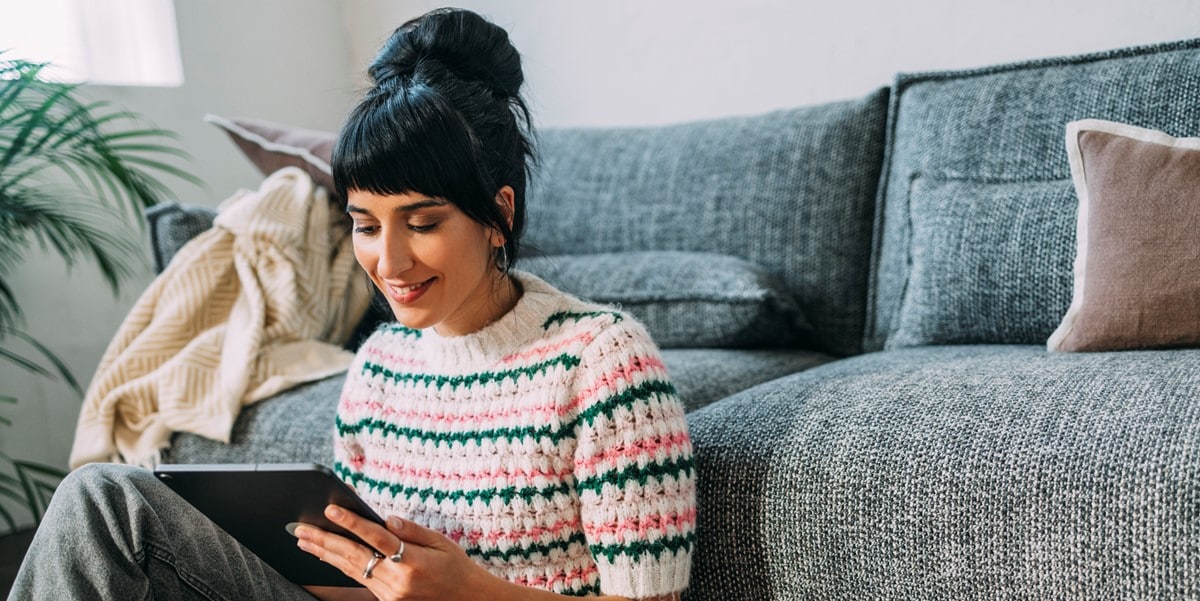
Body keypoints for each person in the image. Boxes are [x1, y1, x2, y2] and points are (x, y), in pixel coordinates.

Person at [8, 7, 694, 601]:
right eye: (366, 225)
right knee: (101, 501)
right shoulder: (380, 368)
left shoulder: (603, 362)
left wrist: (468, 590)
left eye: (422, 223)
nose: (388, 263)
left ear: (497, 214)